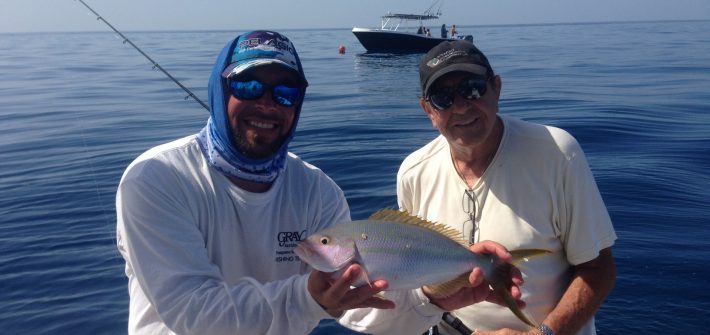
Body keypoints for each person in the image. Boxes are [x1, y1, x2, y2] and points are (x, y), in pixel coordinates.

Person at [116, 30, 522, 335]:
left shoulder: (316, 191)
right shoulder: (158, 179)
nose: (267, 104)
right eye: (248, 86)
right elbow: (194, 314)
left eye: (285, 93)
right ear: (220, 91)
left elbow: (361, 309)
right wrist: (309, 298)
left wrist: (429, 298)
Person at [396, 40, 617, 335]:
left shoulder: (557, 154)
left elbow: (598, 270)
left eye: (472, 88)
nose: (461, 106)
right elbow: (414, 280)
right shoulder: (413, 174)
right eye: (442, 97)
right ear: (428, 110)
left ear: (496, 88)